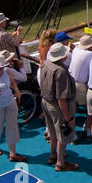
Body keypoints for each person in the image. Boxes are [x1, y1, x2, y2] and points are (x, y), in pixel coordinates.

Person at [38, 42, 78, 171]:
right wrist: (68, 118)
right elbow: (61, 98)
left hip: (46, 102)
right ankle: (60, 162)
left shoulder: (45, 64)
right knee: (63, 133)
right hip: (57, 107)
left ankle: (52, 154)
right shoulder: (60, 71)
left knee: (52, 131)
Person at [67, 35, 92, 111]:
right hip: (79, 84)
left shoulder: (76, 50)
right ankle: (89, 120)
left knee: (73, 103)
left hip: (70, 80)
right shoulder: (90, 54)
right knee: (88, 105)